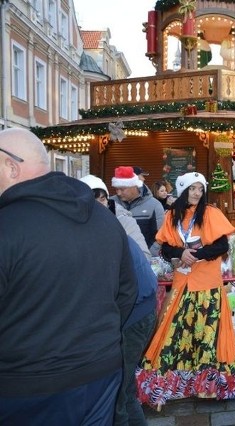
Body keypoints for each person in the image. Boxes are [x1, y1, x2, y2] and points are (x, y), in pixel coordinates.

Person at [0, 128, 137, 424]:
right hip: (100, 371)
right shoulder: (104, 218)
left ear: (11, 167)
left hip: (28, 386)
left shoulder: (6, 226)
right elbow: (127, 292)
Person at [136, 172, 235, 407]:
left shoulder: (211, 213)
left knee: (208, 331)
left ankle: (210, 382)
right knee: (178, 328)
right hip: (183, 283)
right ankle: (179, 377)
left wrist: (195, 255)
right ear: (183, 191)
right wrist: (181, 254)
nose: (197, 193)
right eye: (193, 189)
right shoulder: (172, 216)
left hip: (208, 283)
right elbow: (166, 248)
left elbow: (221, 245)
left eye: (200, 189)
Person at [80, 174, 158, 426]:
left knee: (118, 392)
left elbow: (120, 287)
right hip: (139, 310)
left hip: (135, 313)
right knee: (124, 388)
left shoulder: (104, 229)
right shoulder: (103, 226)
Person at [81, 174, 151, 259]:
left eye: (102, 199)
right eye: (93, 202)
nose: (99, 206)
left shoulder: (123, 221)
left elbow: (142, 257)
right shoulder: (73, 224)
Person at [111, 166, 165, 251]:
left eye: (122, 189)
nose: (119, 193)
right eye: (116, 189)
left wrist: (148, 254)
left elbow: (161, 234)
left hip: (145, 258)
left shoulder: (154, 205)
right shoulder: (110, 203)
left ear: (134, 186)